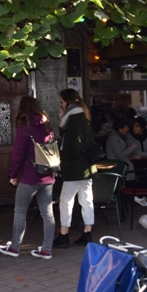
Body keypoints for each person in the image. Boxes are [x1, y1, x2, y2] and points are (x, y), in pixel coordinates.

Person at [0, 96, 56, 260]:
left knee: (20, 211)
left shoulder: (25, 127)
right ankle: (46, 249)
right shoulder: (47, 126)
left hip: (30, 176)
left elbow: (18, 154)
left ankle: (15, 247)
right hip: (48, 176)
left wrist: (13, 175)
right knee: (48, 214)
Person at [52, 89, 95, 249]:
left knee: (66, 200)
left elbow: (72, 143)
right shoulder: (84, 114)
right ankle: (87, 232)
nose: (61, 105)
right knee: (86, 200)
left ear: (67, 100)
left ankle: (64, 234)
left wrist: (63, 157)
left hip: (75, 166)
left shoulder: (74, 116)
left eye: (62, 101)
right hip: (87, 166)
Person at [105, 117, 147, 206]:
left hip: (124, 163)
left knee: (142, 167)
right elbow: (119, 154)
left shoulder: (119, 136)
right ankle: (134, 195)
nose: (128, 129)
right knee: (138, 171)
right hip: (118, 165)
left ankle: (138, 193)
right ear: (120, 128)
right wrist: (131, 147)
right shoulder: (114, 138)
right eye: (126, 127)